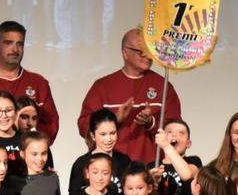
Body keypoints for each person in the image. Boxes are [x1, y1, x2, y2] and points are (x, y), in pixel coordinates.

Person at [77, 28, 182, 163]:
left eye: (150, 50)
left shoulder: (164, 86)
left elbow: (176, 131)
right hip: (112, 168)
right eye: (140, 51)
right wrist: (114, 119)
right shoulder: (102, 86)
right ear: (125, 53)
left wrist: (151, 123)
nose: (148, 55)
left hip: (150, 169)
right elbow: (84, 126)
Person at [0, 21, 60, 144]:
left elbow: (51, 125)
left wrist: (30, 144)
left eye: (19, 44)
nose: (15, 49)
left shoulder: (38, 82)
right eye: (8, 43)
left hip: (27, 158)